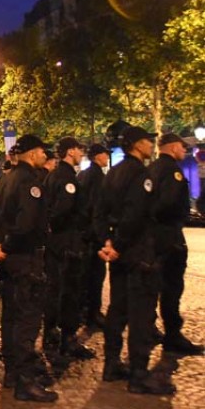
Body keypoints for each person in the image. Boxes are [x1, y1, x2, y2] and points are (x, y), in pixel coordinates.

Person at [96, 126, 175, 394]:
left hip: (119, 252)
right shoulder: (142, 174)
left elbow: (99, 212)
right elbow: (136, 215)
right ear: (136, 145)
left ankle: (111, 364)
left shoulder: (113, 173)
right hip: (138, 252)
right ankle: (139, 374)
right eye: (146, 141)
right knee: (141, 313)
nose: (151, 145)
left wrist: (106, 242)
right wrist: (118, 245)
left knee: (117, 309)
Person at [0, 134, 58, 402]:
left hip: (10, 259)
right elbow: (27, 224)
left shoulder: (6, 180)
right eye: (42, 151)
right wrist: (8, 247)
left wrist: (0, 246)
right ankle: (25, 380)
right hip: (25, 257)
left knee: (10, 316)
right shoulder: (31, 182)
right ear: (31, 153)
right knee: (27, 320)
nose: (45, 155)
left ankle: (11, 372)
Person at [150, 133, 204, 355]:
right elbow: (169, 204)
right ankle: (173, 335)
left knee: (153, 286)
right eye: (182, 147)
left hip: (154, 237)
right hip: (170, 237)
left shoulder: (152, 168)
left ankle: (150, 329)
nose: (185, 150)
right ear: (173, 147)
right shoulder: (172, 171)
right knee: (172, 288)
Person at [42, 137, 95, 360]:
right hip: (68, 242)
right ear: (70, 151)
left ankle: (50, 332)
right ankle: (68, 339)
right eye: (79, 150)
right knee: (69, 291)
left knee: (55, 288)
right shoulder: (67, 179)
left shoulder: (53, 175)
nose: (82, 154)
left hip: (57, 242)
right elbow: (62, 211)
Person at [79, 144, 110, 329]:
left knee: (85, 276)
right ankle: (93, 313)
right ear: (98, 156)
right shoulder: (98, 177)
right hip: (94, 234)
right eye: (105, 154)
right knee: (95, 276)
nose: (107, 157)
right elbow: (97, 207)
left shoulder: (83, 174)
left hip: (84, 233)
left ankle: (85, 310)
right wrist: (102, 235)